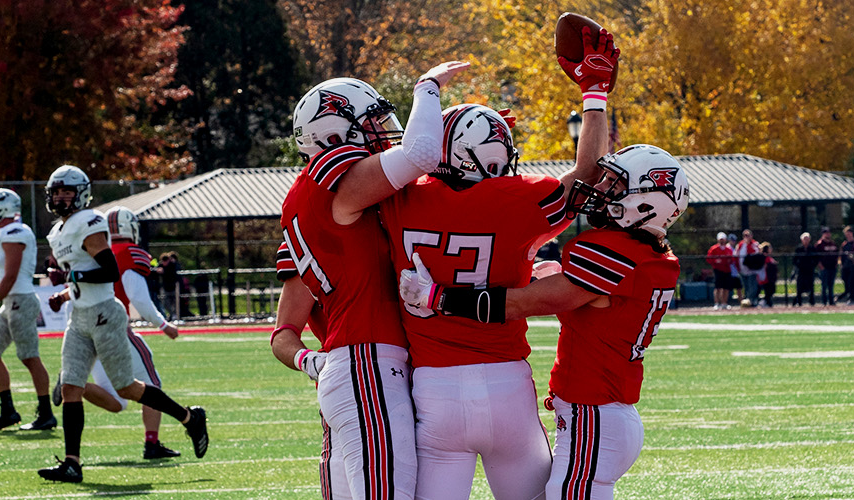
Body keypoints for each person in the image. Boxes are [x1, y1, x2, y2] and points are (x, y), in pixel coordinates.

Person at [401, 144, 690, 500]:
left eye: (613, 183)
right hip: (602, 412)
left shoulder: (615, 251)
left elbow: (520, 304)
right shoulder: (647, 253)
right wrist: (556, 278)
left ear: (648, 203)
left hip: (596, 413)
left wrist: (439, 298)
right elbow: (593, 307)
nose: (599, 188)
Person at [373, 82, 612, 498]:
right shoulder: (516, 198)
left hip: (435, 387)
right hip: (506, 384)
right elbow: (589, 177)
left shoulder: (397, 198)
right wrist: (594, 95)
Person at [270, 61, 471, 499]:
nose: (384, 133)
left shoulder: (313, 198)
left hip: (356, 366)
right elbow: (420, 153)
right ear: (335, 136)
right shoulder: (334, 187)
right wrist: (428, 87)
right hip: (368, 365)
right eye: (373, 124)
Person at [37, 165, 208, 483]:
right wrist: (65, 295)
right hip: (79, 316)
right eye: (56, 192)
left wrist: (72, 278)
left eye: (67, 191)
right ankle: (72, 463)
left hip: (104, 313)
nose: (60, 197)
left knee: (125, 388)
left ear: (81, 194)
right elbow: (82, 275)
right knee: (72, 386)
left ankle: (189, 417)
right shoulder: (57, 232)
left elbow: (108, 271)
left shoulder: (88, 222)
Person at [50, 207, 185, 460]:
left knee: (117, 402)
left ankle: (72, 383)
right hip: (112, 326)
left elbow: (83, 284)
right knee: (151, 383)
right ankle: (152, 443)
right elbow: (137, 296)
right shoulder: (127, 254)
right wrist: (163, 325)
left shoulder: (90, 247)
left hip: (84, 324)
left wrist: (62, 295)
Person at [0, 188, 55, 432]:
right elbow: (1, 274)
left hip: (20, 300)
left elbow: (11, 276)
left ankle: (46, 413)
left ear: (1, 207)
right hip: (11, 301)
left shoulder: (14, 232)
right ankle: (8, 411)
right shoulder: (7, 234)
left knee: (29, 356)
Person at [705, 232, 734, 309]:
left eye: (723, 239)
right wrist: (716, 261)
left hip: (727, 270)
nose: (722, 241)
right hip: (718, 270)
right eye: (720, 239)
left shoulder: (728, 249)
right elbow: (709, 259)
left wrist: (728, 260)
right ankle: (717, 303)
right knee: (718, 287)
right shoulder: (714, 249)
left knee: (726, 288)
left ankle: (724, 303)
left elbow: (732, 259)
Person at [736, 229, 762, 307]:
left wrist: (748, 244)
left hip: (752, 270)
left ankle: (752, 300)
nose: (746, 237)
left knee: (752, 286)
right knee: (746, 286)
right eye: (744, 235)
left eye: (748, 235)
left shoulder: (754, 244)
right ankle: (747, 301)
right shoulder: (740, 244)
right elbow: (736, 255)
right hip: (742, 270)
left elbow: (756, 254)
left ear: (751, 236)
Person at [816, 228, 839, 305]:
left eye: (828, 233)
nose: (827, 234)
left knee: (831, 285)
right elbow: (816, 257)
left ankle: (831, 301)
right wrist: (820, 266)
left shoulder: (833, 244)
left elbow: (837, 255)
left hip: (832, 267)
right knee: (824, 285)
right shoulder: (819, 244)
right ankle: (824, 302)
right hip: (824, 268)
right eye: (826, 233)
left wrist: (836, 264)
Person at [794, 232, 818, 306]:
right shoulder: (799, 249)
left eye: (807, 239)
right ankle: (799, 302)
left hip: (810, 270)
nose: (806, 241)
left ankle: (812, 302)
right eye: (805, 239)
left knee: (811, 287)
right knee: (799, 287)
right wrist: (799, 265)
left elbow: (816, 259)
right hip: (801, 271)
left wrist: (812, 265)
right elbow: (794, 260)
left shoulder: (812, 248)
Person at [760, 242, 778, 307]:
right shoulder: (764, 257)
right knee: (768, 291)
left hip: (771, 277)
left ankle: (767, 302)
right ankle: (764, 302)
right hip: (767, 277)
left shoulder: (769, 257)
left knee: (771, 290)